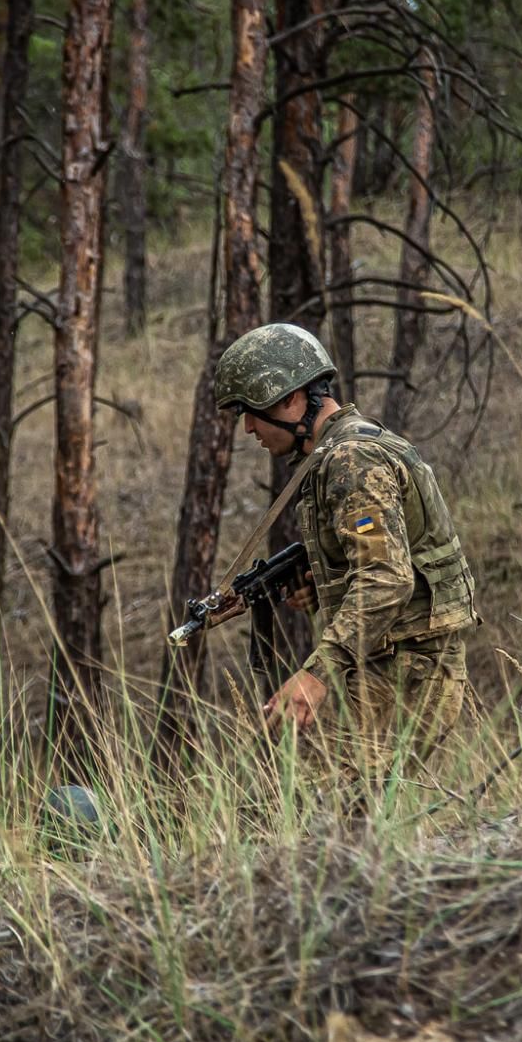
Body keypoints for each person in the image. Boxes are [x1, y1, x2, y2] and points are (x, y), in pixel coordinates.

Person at [210, 322, 480, 777]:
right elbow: (388, 560)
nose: (248, 427)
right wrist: (324, 589)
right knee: (343, 817)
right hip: (394, 663)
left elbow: (387, 580)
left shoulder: (350, 459)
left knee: (334, 818)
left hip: (405, 670)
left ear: (288, 398)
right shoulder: (341, 450)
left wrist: (317, 673)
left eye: (250, 410)